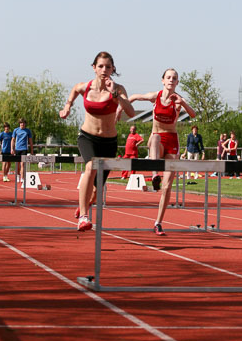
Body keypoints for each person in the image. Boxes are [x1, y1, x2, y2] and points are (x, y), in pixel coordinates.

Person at [59, 51, 134, 232]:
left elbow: (131, 113)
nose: (104, 70)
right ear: (94, 67)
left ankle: (85, 203)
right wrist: (67, 106)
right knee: (90, 166)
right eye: (100, 66)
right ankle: (84, 217)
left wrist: (114, 93)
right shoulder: (85, 87)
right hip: (88, 137)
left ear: (113, 69)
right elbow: (74, 90)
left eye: (108, 67)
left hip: (109, 141)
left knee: (96, 191)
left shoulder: (119, 89)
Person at [127, 68, 196, 236]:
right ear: (163, 80)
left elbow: (193, 114)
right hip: (157, 140)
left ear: (177, 82)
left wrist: (182, 102)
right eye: (168, 77)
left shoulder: (178, 101)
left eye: (174, 78)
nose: (171, 80)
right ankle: (155, 173)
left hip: (172, 141)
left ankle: (158, 222)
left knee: (167, 187)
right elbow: (135, 97)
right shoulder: (155, 96)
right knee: (155, 138)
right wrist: (119, 110)